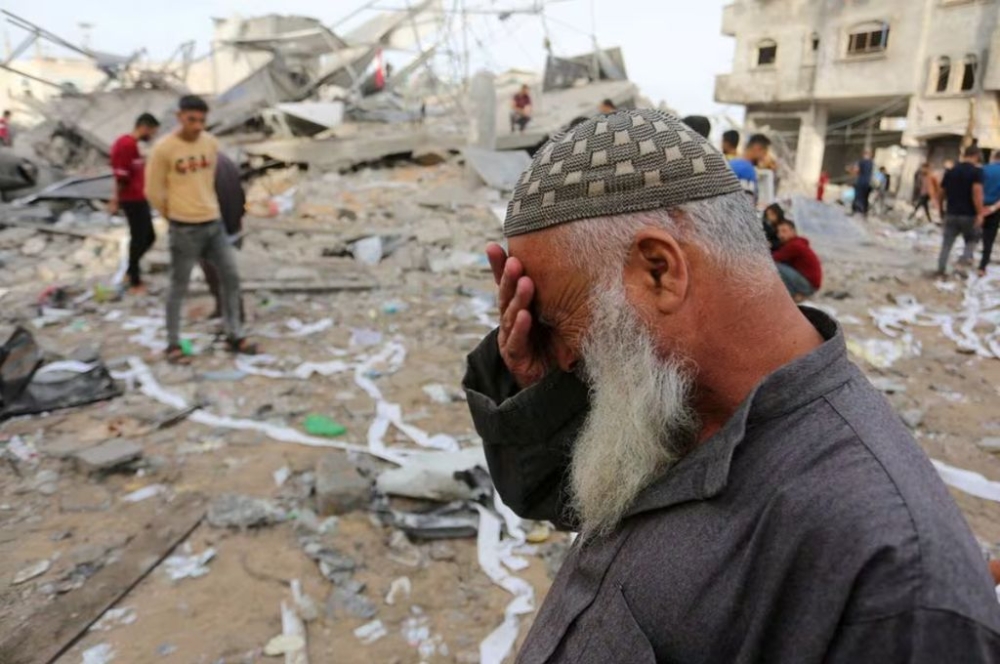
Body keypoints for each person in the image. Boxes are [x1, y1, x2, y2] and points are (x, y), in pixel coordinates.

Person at [463, 109, 1000, 663]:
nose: (562, 353)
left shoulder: (893, 581)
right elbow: (562, 495)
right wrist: (535, 382)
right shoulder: (668, 394)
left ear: (658, 270)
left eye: (555, 318)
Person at [145, 95, 258, 364]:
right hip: (184, 228)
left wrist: (208, 207)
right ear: (180, 116)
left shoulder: (209, 143)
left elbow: (207, 182)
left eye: (201, 120)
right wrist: (174, 215)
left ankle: (235, 333)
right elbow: (153, 191)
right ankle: (173, 345)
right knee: (178, 286)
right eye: (191, 119)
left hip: (214, 224)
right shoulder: (164, 149)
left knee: (231, 278)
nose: (196, 125)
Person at [110, 113, 161, 295]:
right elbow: (121, 176)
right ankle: (134, 281)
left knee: (148, 237)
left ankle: (131, 272)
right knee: (139, 238)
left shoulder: (133, 146)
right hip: (131, 199)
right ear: (144, 127)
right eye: (152, 132)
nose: (152, 136)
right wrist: (115, 200)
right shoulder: (126, 144)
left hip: (139, 197)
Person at [199, 151, 246, 320]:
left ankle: (233, 314)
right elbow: (241, 195)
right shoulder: (225, 160)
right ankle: (226, 309)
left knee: (217, 273)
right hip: (232, 225)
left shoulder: (203, 167)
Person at [937, 145, 984, 276]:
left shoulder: (951, 171)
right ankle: (961, 264)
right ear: (976, 155)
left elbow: (941, 193)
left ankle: (941, 269)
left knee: (947, 243)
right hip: (969, 215)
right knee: (972, 240)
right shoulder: (976, 172)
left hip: (951, 213)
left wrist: (941, 209)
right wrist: (980, 213)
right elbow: (977, 193)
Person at [772, 219, 822, 301]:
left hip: (808, 285)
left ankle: (793, 295)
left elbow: (773, 258)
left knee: (775, 266)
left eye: (784, 231)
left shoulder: (794, 245)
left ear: (793, 231)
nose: (780, 235)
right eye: (779, 232)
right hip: (809, 283)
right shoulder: (797, 243)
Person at [728, 133, 771, 203]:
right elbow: (746, 202)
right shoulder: (746, 169)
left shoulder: (731, 163)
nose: (764, 157)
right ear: (757, 148)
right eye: (764, 153)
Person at [978, 151, 1000, 276]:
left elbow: (975, 189)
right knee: (989, 239)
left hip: (978, 207)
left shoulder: (983, 169)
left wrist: (980, 209)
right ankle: (982, 267)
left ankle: (967, 257)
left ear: (993, 157)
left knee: (973, 235)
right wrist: (992, 208)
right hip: (995, 210)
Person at [850, 149, 874, 216]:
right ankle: (864, 212)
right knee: (865, 198)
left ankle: (855, 210)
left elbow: (856, 170)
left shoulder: (861, 162)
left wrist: (851, 170)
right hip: (867, 183)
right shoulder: (871, 163)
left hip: (861, 182)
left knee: (857, 197)